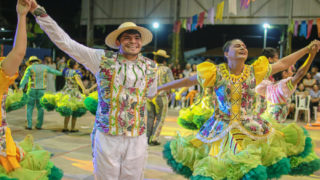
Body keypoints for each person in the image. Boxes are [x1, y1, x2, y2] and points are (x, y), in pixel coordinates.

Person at [29, 1, 157, 179]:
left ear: (141, 42)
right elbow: (67, 43)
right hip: (107, 135)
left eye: (137, 38)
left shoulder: (151, 66)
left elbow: (151, 93)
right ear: (118, 41)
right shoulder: (101, 59)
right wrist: (39, 13)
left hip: (137, 137)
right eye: (127, 37)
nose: (133, 42)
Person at [159, 38, 320, 179]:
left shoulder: (254, 72)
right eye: (237, 46)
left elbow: (284, 63)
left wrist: (307, 50)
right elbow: (188, 81)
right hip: (221, 128)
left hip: (249, 127)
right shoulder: (215, 72)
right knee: (218, 169)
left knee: (246, 168)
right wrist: (160, 89)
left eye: (244, 46)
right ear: (226, 53)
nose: (243, 48)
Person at [0, 0, 63, 179]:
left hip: (1, 149)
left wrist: (21, 16)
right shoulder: (40, 68)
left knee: (31, 108)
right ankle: (36, 124)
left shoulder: (6, 72)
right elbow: (54, 71)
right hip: (41, 90)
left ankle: (31, 123)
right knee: (38, 109)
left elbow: (19, 53)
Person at [256, 45, 317, 123]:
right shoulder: (283, 86)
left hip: (267, 122)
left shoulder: (269, 86)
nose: (292, 72)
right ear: (284, 74)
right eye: (290, 70)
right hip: (276, 126)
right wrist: (311, 55)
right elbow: (301, 73)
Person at [19, 56, 62, 130]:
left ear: (30, 62)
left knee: (29, 107)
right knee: (40, 108)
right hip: (41, 90)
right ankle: (39, 125)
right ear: (37, 61)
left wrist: (21, 87)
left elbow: (25, 78)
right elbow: (55, 72)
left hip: (31, 90)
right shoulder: (44, 67)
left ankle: (29, 125)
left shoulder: (29, 68)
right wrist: (63, 73)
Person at [147, 49, 174, 145]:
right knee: (160, 118)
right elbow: (171, 84)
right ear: (164, 60)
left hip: (149, 96)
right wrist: (171, 92)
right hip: (161, 96)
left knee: (150, 117)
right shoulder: (166, 70)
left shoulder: (150, 68)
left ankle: (147, 137)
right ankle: (154, 138)